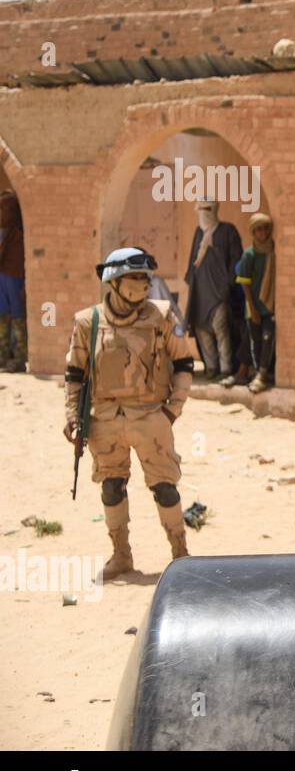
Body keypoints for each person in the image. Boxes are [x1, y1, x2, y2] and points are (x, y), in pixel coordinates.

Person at [63, 248, 195, 579]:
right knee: (112, 486)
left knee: (165, 487)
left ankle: (180, 555)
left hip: (151, 418)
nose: (143, 284)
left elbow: (184, 364)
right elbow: (75, 373)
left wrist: (172, 411)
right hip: (104, 420)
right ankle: (121, 555)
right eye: (135, 278)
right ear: (115, 282)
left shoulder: (162, 316)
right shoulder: (88, 322)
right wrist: (72, 416)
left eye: (145, 278)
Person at [183, 199, 242, 380]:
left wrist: (228, 284)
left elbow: (236, 260)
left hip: (219, 293)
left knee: (221, 330)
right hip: (200, 293)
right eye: (200, 209)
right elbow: (193, 261)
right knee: (203, 330)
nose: (203, 213)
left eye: (207, 209)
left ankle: (226, 369)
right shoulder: (198, 233)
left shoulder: (227, 231)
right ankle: (211, 367)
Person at [234, 213, 276, 394]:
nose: (263, 232)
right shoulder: (249, 254)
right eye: (259, 229)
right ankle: (257, 374)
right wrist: (252, 308)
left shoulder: (273, 251)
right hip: (255, 308)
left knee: (268, 338)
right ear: (253, 232)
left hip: (270, 306)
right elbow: (245, 283)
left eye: (266, 228)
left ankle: (262, 374)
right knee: (255, 342)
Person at [0, 191, 27, 373]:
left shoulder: (18, 232)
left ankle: (19, 359)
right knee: (2, 316)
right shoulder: (4, 231)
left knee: (17, 317)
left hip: (14, 278)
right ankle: (2, 356)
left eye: (4, 207)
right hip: (2, 277)